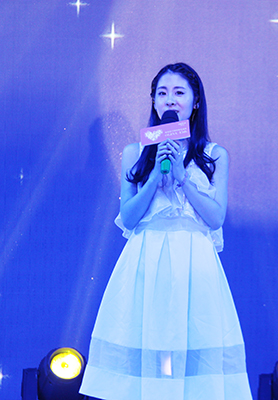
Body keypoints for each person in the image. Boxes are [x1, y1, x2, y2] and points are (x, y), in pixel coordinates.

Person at [79, 63, 252, 400]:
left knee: (191, 349)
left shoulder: (214, 155)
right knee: (150, 345)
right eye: (162, 93)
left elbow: (215, 218)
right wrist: (156, 175)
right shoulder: (135, 152)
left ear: (195, 101)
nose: (170, 100)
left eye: (178, 92)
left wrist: (184, 179)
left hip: (194, 262)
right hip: (147, 259)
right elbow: (129, 218)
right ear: (154, 102)